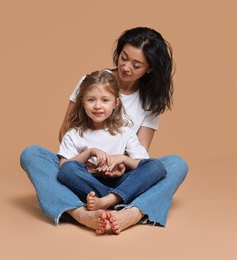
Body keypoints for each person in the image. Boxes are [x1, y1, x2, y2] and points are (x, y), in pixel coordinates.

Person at [20, 27, 188, 235]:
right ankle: (81, 213)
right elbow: (66, 132)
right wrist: (89, 163)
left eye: (136, 65)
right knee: (32, 154)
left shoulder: (150, 100)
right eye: (123, 58)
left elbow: (141, 155)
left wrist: (117, 166)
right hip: (82, 171)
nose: (126, 67)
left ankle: (129, 213)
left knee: (175, 165)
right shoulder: (92, 81)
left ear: (150, 68)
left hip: (122, 174)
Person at [57, 70, 167, 235]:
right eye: (91, 100)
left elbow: (142, 163)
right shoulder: (74, 134)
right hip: (88, 183)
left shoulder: (125, 133)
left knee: (156, 167)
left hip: (121, 182)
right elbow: (64, 167)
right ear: (82, 102)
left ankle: (108, 200)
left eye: (105, 100)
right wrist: (89, 153)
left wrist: (122, 159)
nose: (98, 106)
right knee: (68, 169)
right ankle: (114, 200)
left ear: (116, 103)